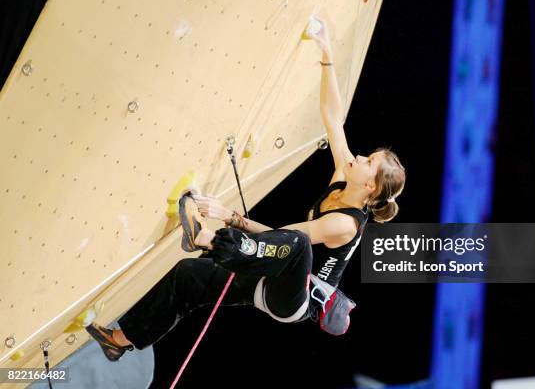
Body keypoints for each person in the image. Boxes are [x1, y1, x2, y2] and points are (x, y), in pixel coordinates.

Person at [85, 18, 406, 361]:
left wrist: (229, 220)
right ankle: (119, 340)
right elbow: (332, 115)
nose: (359, 156)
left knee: (297, 243)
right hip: (270, 270)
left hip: (291, 298)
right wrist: (326, 52)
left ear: (370, 186)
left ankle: (206, 240)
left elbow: (284, 240)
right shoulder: (345, 174)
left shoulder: (346, 224)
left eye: (368, 160)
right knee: (189, 276)